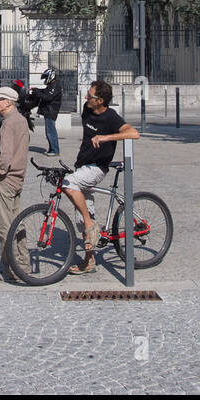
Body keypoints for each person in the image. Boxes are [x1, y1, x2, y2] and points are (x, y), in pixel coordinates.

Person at [64, 79, 139, 275]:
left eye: (91, 96)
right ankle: (89, 261)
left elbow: (133, 133)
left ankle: (91, 223)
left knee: (69, 183)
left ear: (102, 100)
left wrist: (106, 137)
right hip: (82, 166)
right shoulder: (87, 110)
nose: (87, 98)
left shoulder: (111, 117)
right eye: (87, 95)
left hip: (97, 169)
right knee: (81, 216)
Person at [0, 86, 29, 283]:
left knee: (4, 226)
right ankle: (23, 265)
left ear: (9, 102)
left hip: (4, 180)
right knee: (17, 222)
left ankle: (12, 270)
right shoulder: (20, 120)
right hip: (16, 178)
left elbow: (5, 156)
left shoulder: (10, 123)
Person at [29, 67, 62, 155]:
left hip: (51, 111)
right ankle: (52, 149)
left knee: (51, 132)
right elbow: (45, 92)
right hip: (48, 111)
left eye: (46, 77)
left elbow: (48, 97)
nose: (45, 79)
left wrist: (37, 93)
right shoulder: (51, 85)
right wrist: (36, 89)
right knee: (49, 132)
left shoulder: (55, 85)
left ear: (51, 76)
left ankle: (55, 150)